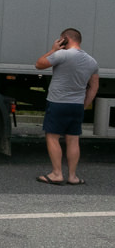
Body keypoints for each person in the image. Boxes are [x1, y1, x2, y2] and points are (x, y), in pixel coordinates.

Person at [35, 28, 99, 186]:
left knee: (52, 136)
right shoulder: (92, 61)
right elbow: (93, 87)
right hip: (76, 105)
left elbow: (39, 65)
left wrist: (53, 49)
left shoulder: (62, 54)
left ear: (64, 39)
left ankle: (57, 174)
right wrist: (84, 105)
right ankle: (72, 176)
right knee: (73, 139)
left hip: (58, 103)